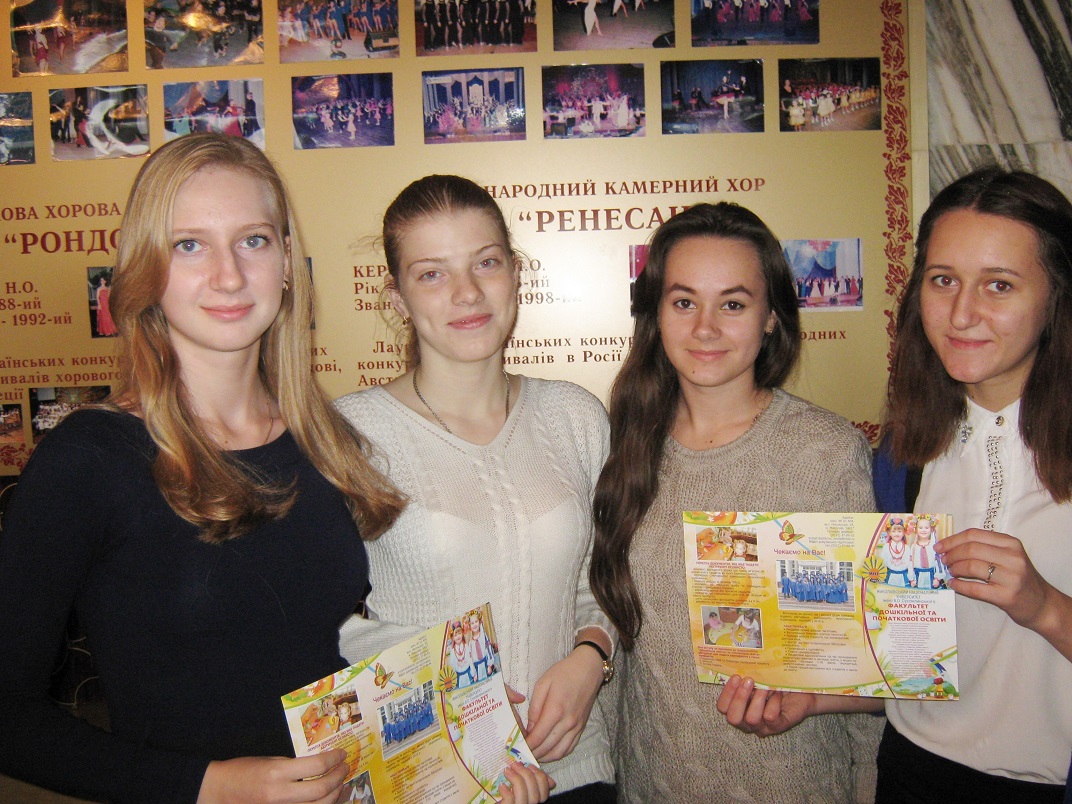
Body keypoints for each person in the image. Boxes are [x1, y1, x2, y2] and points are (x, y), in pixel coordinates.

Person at [0, 133, 407, 802]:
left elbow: (320, 656)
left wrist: (448, 716)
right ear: (146, 267)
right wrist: (209, 786)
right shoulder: (90, 460)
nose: (229, 275)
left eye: (253, 240)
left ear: (285, 262)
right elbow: (8, 718)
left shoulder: (325, 441)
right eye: (189, 244)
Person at [335, 174, 616, 803]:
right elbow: (326, 623)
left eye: (485, 263)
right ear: (397, 297)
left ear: (515, 273)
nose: (467, 292)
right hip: (430, 775)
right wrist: (461, 712)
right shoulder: (349, 435)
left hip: (573, 766)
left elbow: (603, 578)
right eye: (432, 274)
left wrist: (592, 655)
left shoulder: (576, 417)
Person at [589, 202, 882, 802]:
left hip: (792, 784)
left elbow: (873, 663)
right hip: (653, 784)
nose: (705, 328)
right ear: (656, 314)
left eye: (733, 304)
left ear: (770, 317)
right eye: (683, 302)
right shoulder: (620, 447)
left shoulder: (825, 453)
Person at [870, 167, 1072, 799]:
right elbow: (910, 658)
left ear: (1057, 295)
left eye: (999, 285)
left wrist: (1046, 607)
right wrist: (812, 696)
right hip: (912, 771)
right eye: (943, 280)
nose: (962, 314)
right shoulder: (902, 454)